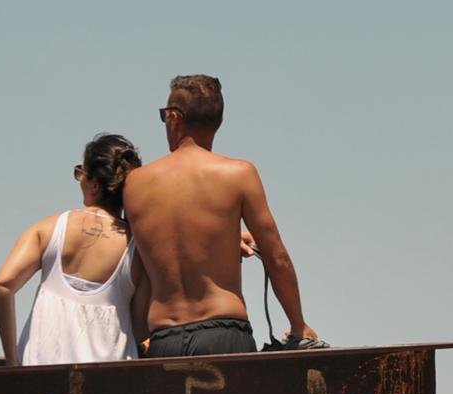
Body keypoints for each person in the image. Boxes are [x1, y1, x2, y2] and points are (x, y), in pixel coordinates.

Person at [122, 74, 323, 357]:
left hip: (163, 340)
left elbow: (140, 268)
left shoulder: (135, 184)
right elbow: (276, 257)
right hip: (225, 336)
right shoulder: (238, 174)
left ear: (175, 118)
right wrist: (298, 326)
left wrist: (136, 338)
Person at [0, 134, 145, 365]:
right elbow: (141, 327)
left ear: (94, 184)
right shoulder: (137, 247)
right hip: (111, 387)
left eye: (80, 173)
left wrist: (12, 362)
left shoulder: (49, 228)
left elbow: (3, 286)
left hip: (42, 381)